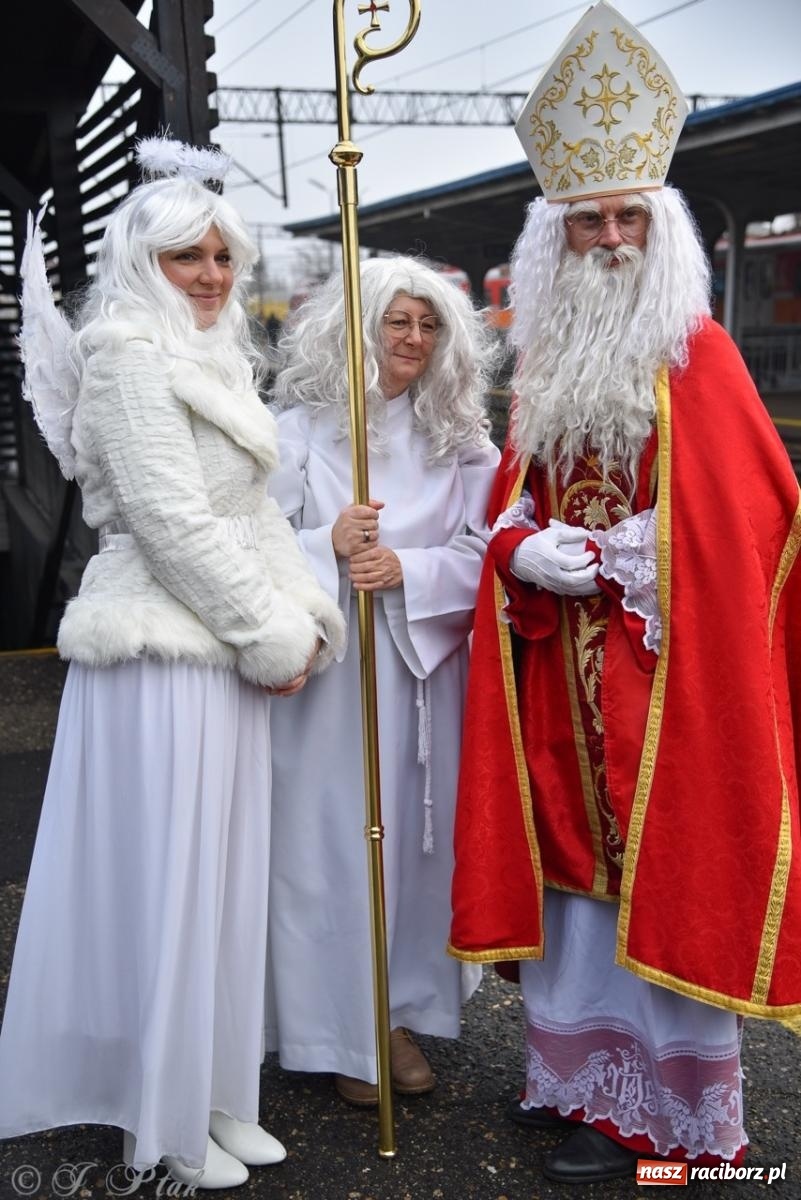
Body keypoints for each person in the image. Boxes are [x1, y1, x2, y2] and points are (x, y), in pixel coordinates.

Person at [448, 1, 801, 1186]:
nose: (606, 238)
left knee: (663, 874)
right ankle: (572, 1075)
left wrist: (634, 555)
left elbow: (759, 516)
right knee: (569, 883)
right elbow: (513, 495)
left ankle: (660, 1125)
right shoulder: (543, 359)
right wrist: (518, 549)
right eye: (586, 219)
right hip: (559, 671)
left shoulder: (698, 354)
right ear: (554, 235)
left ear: (660, 229)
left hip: (665, 673)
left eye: (624, 218)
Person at [0, 138, 345, 1190]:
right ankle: (161, 1120)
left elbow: (244, 518)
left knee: (225, 881)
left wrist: (300, 617)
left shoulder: (213, 356)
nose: (211, 276)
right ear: (143, 261)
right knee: (171, 883)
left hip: (224, 651)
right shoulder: (125, 358)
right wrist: (271, 632)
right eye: (188, 257)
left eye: (223, 257)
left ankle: (215, 1092)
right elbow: (165, 520)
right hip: (161, 651)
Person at [264, 256, 500, 1105]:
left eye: (429, 324)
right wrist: (322, 545)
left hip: (417, 673)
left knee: (403, 847)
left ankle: (390, 1011)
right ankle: (327, 1023)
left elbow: (490, 553)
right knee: (323, 844)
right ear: (359, 327)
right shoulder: (295, 430)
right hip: (327, 676)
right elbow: (250, 543)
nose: (413, 338)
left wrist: (412, 568)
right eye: (397, 321)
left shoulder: (462, 442)